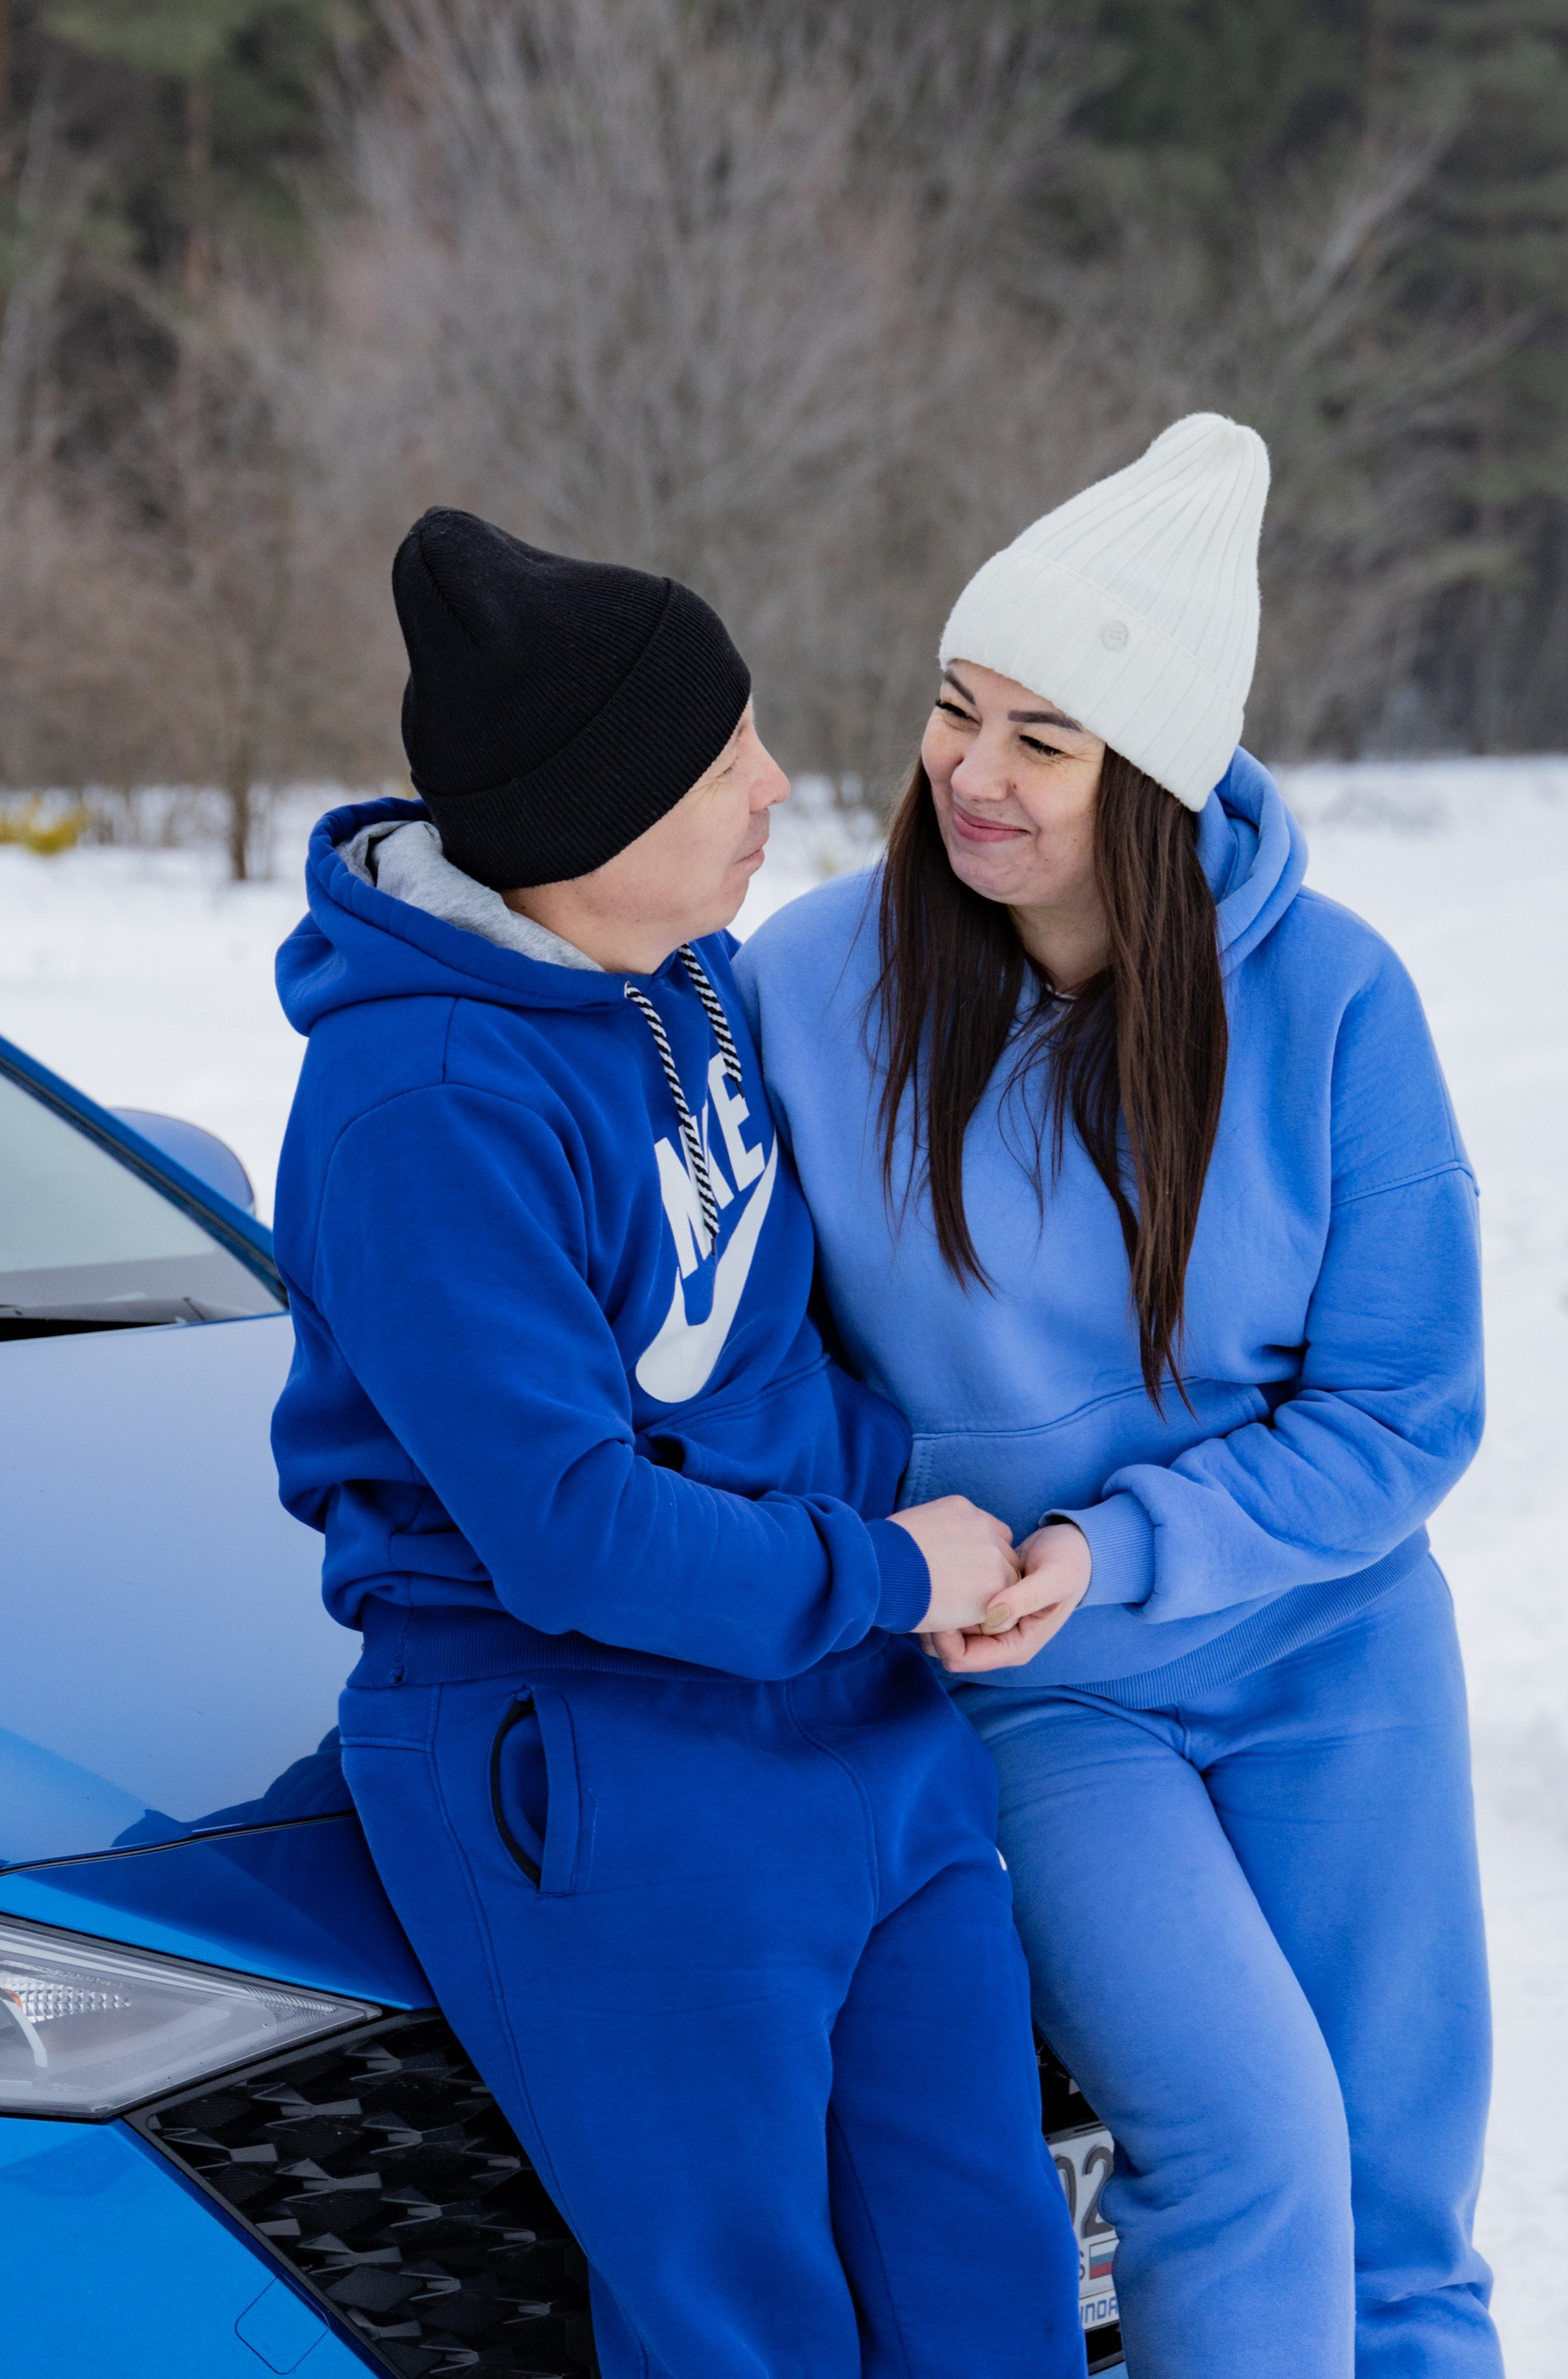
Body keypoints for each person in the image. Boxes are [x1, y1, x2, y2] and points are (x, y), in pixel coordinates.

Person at [267, 508, 1084, 2379]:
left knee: (991, 2287)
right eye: (720, 760)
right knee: (744, 2331)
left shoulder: (685, 983)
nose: (775, 787)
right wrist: (883, 1569)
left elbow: (770, 1355)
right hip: (599, 1750)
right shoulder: (421, 1098)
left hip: (851, 1715)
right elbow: (563, 1529)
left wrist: (928, 1541)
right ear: (583, 814)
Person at [741, 416, 1503, 2379]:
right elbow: (744, 1349)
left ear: (1150, 776)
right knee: (1248, 2142)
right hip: (1039, 1684)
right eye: (951, 710)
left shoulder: (1332, 1001)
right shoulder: (810, 987)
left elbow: (1402, 1411)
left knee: (1400, 2223)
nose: (968, 776)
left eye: (1041, 740)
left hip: (1327, 1646)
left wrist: (1130, 1535)